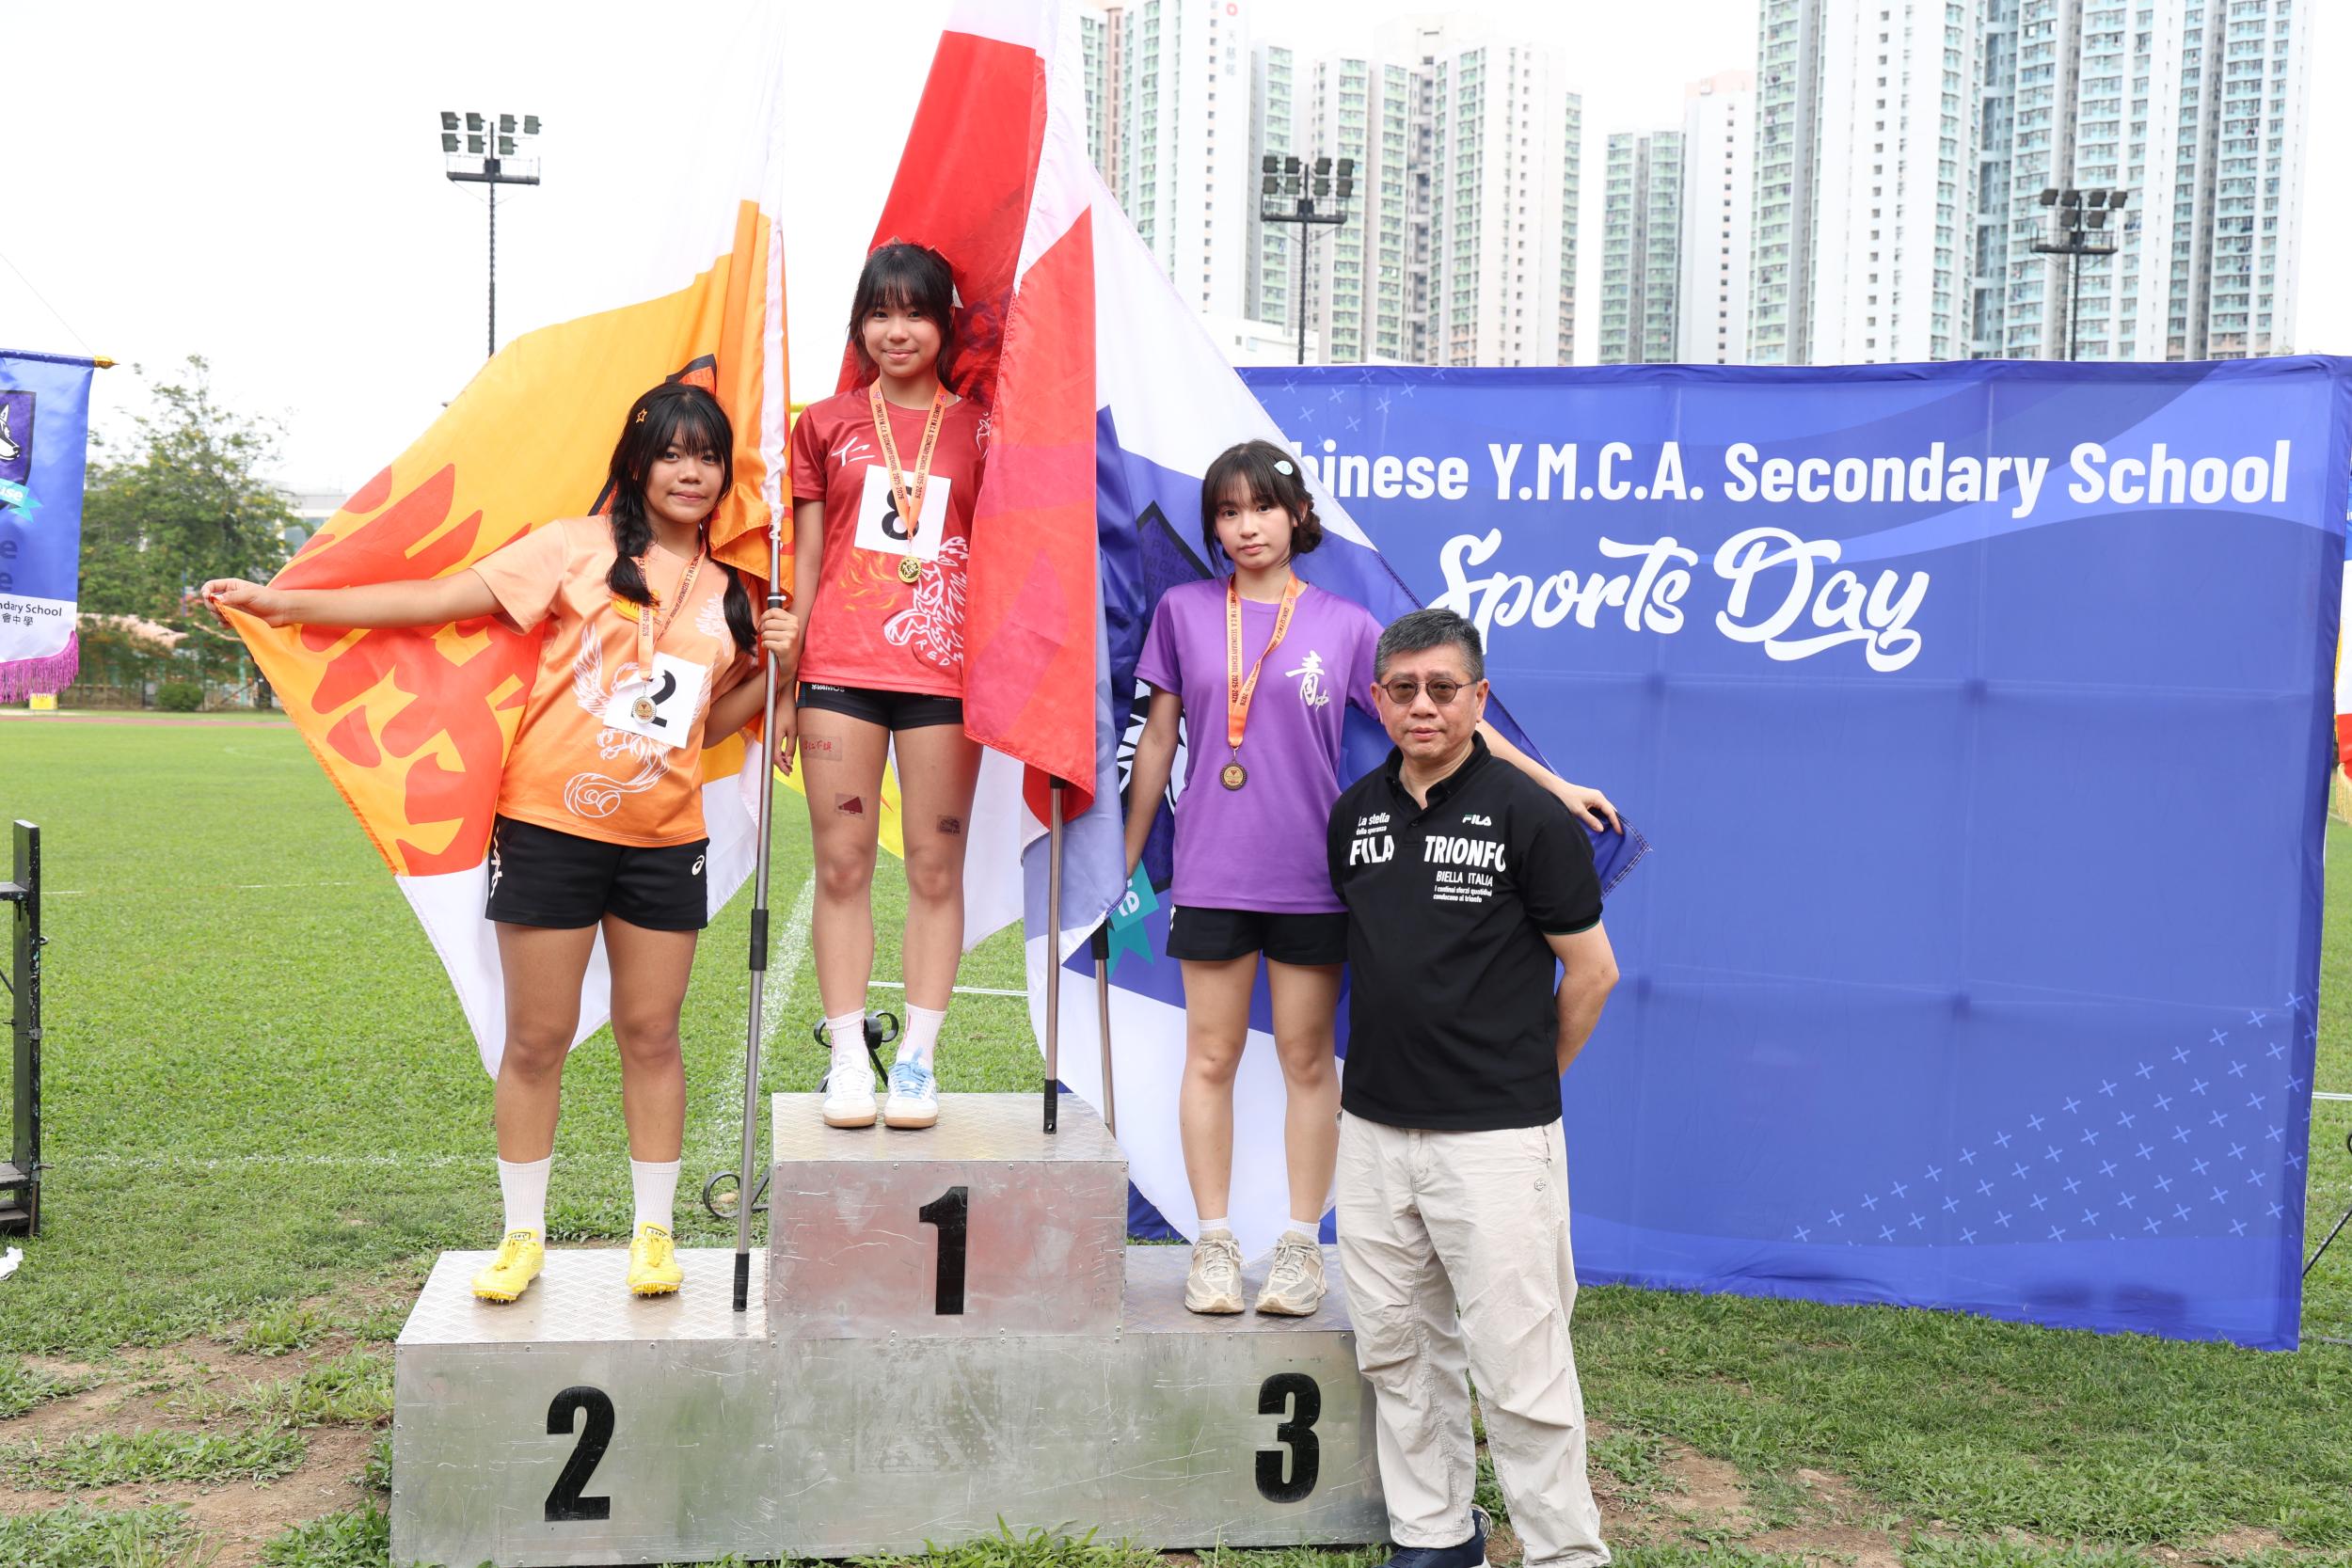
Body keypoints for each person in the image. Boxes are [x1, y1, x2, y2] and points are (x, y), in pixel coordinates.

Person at [201, 382, 797, 1305]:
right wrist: (286, 604)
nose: (691, 472)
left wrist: (780, 672)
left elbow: (706, 723)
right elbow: (438, 597)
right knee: (536, 1038)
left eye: (709, 456)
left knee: (651, 1033)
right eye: (673, 453)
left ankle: (654, 1234)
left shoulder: (730, 596)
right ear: (637, 464)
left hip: (663, 837)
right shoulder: (572, 547)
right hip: (549, 827)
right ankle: (522, 1236)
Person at [1123, 442, 1618, 1321]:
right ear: (1213, 526)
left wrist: (1554, 783)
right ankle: (1212, 1242)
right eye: (1228, 512)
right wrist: (1121, 861)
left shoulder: (1346, 625)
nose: (1246, 527)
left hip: (1314, 879)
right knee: (1211, 1056)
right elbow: (1158, 739)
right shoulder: (1183, 610)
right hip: (1210, 873)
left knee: (1308, 1060)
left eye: (1262, 508)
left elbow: (1445, 721)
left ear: (1296, 516)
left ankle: (1297, 1244)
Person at [1326, 606, 1620, 1568]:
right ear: (1378, 698)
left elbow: (1592, 973)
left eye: (1443, 688)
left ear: (1479, 697)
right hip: (1374, 1132)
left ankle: (1563, 1552)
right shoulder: (1354, 813)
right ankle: (1435, 1534)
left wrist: (1523, 1082)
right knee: (1398, 1347)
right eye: (1403, 688)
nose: (1423, 705)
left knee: (1520, 1366)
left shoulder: (1531, 816)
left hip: (1493, 1138)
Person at [781, 241, 987, 1133]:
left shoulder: (985, 430)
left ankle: (917, 1061)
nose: (895, 331)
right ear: (859, 324)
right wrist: (785, 685)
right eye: (878, 313)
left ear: (944, 325)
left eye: (914, 313)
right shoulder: (824, 425)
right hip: (839, 670)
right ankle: (845, 1058)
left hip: (945, 671)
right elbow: (806, 562)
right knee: (843, 864)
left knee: (936, 867)